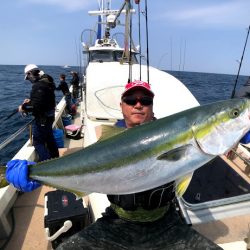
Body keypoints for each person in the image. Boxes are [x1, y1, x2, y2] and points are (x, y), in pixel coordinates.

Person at [6, 80, 222, 249]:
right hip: (117, 220)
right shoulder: (109, 136)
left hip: (166, 220)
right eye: (131, 100)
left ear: (152, 106)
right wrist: (34, 173)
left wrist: (235, 132)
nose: (138, 104)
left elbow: (207, 144)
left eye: (145, 100)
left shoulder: (174, 132)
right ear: (122, 106)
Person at [20, 64, 59, 161]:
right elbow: (43, 99)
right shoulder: (47, 82)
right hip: (50, 117)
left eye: (28, 78)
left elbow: (36, 106)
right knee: (49, 138)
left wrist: (23, 107)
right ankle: (55, 158)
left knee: (37, 142)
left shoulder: (38, 85)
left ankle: (47, 165)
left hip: (43, 120)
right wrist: (31, 100)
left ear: (29, 73)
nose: (29, 80)